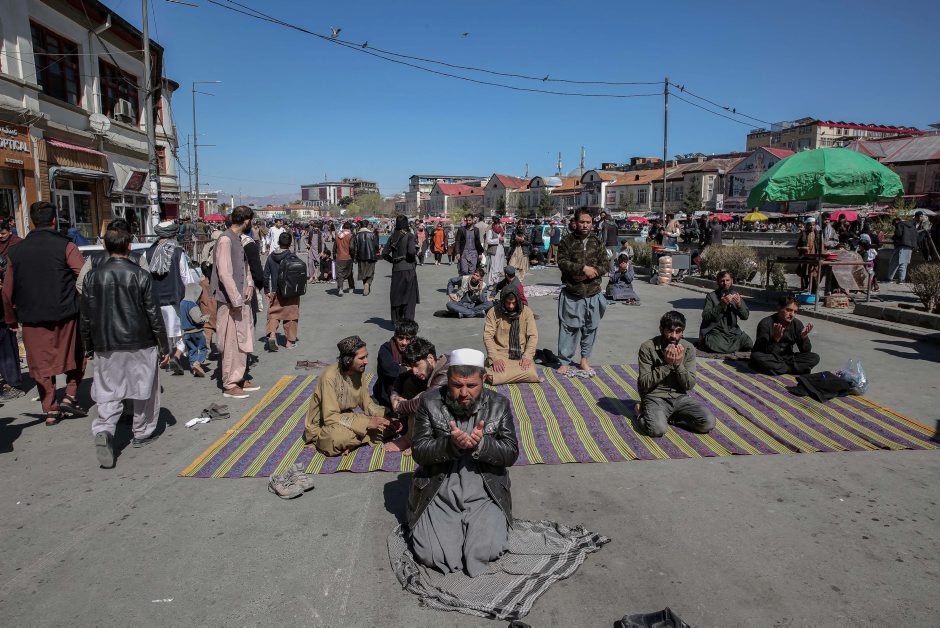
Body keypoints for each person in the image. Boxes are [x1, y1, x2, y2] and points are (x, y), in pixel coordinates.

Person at [406, 348, 519, 577]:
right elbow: (419, 451)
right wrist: (450, 446)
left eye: (471, 386)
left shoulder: (499, 404)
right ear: (448, 380)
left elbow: (510, 453)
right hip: (440, 489)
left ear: (483, 380)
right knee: (434, 554)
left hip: (484, 491)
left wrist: (482, 444)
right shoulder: (429, 402)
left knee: (484, 550)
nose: (464, 393)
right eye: (457, 385)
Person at [82, 223, 169, 468]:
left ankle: (105, 428)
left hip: (106, 341)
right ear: (130, 246)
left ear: (105, 246)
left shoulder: (92, 276)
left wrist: (87, 345)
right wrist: (164, 346)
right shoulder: (140, 274)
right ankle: (141, 432)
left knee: (108, 390)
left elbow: (86, 315)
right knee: (144, 390)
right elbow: (154, 314)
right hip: (140, 340)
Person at [3, 201, 86, 425]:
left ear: (32, 222)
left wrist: (11, 320)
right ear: (54, 221)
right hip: (66, 314)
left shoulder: (15, 252)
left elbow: (7, 292)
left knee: (40, 365)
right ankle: (70, 394)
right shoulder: (66, 246)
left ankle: (51, 409)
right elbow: (84, 277)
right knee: (76, 355)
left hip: (31, 318)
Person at [303, 335, 397, 456]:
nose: (366, 361)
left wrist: (384, 417)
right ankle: (355, 440)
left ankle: (352, 442)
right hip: (325, 425)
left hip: (347, 418)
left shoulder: (359, 371)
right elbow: (329, 417)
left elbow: (367, 404)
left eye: (366, 356)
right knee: (336, 438)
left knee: (390, 425)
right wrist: (366, 424)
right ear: (348, 360)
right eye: (362, 358)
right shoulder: (329, 377)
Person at [636, 311, 715, 439]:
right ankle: (640, 413)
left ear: (682, 332)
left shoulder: (688, 348)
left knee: (708, 423)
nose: (674, 336)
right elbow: (644, 383)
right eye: (669, 331)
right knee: (657, 430)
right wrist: (667, 365)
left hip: (679, 397)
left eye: (678, 331)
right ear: (661, 329)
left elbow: (689, 385)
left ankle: (670, 417)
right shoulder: (648, 347)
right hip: (655, 397)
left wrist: (678, 365)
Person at [210, 205, 260, 399]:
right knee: (231, 341)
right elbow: (224, 273)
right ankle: (230, 384)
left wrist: (249, 285)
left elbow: (244, 268)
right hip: (230, 302)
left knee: (242, 340)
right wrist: (236, 299)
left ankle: (239, 377)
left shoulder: (238, 239)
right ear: (247, 220)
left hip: (241, 299)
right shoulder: (225, 240)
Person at [556, 208, 608, 376]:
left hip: (593, 292)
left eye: (588, 222)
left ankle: (584, 359)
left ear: (592, 223)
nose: (585, 225)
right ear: (575, 222)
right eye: (582, 222)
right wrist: (582, 268)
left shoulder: (597, 242)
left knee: (590, 328)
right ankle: (564, 361)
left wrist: (592, 272)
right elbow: (562, 261)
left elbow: (605, 264)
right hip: (573, 293)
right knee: (568, 328)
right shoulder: (567, 241)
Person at [141, 220, 195, 375]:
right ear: (173, 234)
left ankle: (165, 357)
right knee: (181, 331)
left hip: (154, 302)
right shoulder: (178, 252)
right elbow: (187, 278)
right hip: (174, 300)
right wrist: (192, 298)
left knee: (162, 331)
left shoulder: (147, 253)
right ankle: (176, 357)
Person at [386, 337, 450, 454]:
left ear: (430, 358)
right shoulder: (431, 365)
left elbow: (424, 401)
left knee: (422, 398)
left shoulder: (445, 373)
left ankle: (412, 439)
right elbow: (400, 378)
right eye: (412, 366)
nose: (414, 370)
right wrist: (394, 396)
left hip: (456, 418)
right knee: (410, 382)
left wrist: (399, 406)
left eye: (416, 365)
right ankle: (410, 429)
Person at [749, 296, 820, 375]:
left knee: (814, 357)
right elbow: (761, 351)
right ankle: (793, 369)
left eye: (795, 312)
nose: (792, 315)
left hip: (787, 358)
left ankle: (783, 369)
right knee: (756, 357)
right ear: (779, 308)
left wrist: (804, 337)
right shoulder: (766, 324)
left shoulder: (797, 324)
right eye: (789, 310)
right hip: (770, 357)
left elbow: (806, 351)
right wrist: (775, 339)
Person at [483, 285, 539, 384]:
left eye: (514, 303)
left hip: (521, 355)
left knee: (531, 374)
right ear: (503, 301)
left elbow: (533, 336)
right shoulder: (493, 312)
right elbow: (487, 337)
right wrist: (495, 358)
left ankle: (505, 373)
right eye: (508, 303)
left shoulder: (527, 312)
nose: (511, 306)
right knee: (495, 377)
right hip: (500, 354)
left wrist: (527, 357)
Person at [698, 270, 752, 354]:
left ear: (732, 281)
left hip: (732, 332)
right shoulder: (711, 296)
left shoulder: (735, 296)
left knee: (748, 342)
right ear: (718, 282)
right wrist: (721, 305)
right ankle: (732, 347)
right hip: (715, 332)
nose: (725, 283)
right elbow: (706, 316)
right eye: (722, 281)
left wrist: (739, 305)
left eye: (727, 280)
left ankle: (729, 347)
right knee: (713, 342)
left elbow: (745, 316)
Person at [263, 232, 300, 352]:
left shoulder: (271, 257)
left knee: (273, 314)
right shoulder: (293, 256)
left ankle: (272, 335)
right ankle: (289, 342)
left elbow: (265, 275)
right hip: (291, 292)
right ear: (290, 243)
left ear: (278, 242)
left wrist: (267, 290)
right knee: (291, 315)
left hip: (276, 291)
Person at [0, 219, 24, 398]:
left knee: (7, 346)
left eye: (3, 232)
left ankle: (13, 383)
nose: (0, 236)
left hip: (6, 305)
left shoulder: (17, 245)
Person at [374, 318, 418, 409]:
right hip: (387, 391)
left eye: (408, 339)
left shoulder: (416, 347)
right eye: (400, 338)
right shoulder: (385, 349)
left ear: (413, 338)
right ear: (395, 336)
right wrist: (408, 369)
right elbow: (392, 370)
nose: (404, 343)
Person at [387, 215, 419, 324]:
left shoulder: (393, 237)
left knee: (397, 296)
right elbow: (411, 251)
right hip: (409, 269)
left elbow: (384, 253)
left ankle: (397, 321)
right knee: (409, 297)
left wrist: (393, 261)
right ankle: (408, 322)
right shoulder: (410, 236)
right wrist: (411, 259)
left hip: (396, 270)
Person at [180, 281, 210, 377]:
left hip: (186, 333)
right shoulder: (192, 305)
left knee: (191, 350)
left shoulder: (182, 303)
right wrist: (205, 318)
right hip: (196, 331)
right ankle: (197, 363)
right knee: (203, 349)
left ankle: (194, 368)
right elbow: (197, 319)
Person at [887, 214, 918, 283]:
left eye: (894, 225)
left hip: (901, 245)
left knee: (894, 262)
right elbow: (916, 236)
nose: (895, 226)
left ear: (896, 222)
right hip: (910, 247)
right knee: (904, 263)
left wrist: (893, 238)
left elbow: (898, 234)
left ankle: (890, 278)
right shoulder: (912, 226)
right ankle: (901, 279)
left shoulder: (899, 224)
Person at [351, 220, 378, 296]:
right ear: (367, 225)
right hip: (371, 256)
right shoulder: (372, 234)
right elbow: (376, 245)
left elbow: (354, 247)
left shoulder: (357, 235)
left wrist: (355, 257)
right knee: (370, 272)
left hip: (361, 257)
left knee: (363, 272)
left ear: (360, 225)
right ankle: (367, 283)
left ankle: (365, 285)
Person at [796, 218, 820, 292]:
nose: (812, 227)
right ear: (807, 226)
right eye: (810, 225)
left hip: (814, 259)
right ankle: (804, 292)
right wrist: (802, 248)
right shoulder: (803, 234)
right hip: (805, 258)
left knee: (814, 276)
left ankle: (814, 293)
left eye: (813, 225)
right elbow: (797, 247)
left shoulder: (818, 235)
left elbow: (820, 247)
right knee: (804, 276)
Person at [333, 221, 355, 296]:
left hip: (339, 257)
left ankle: (340, 288)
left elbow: (334, 247)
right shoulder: (351, 235)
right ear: (350, 228)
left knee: (340, 274)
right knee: (349, 273)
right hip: (348, 257)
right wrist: (353, 256)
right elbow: (352, 247)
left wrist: (334, 256)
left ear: (343, 228)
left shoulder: (337, 235)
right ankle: (351, 287)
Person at [485, 219, 506, 284]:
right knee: (494, 267)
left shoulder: (501, 231)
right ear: (494, 224)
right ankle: (491, 282)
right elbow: (488, 241)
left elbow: (505, 239)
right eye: (497, 224)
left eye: (499, 223)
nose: (498, 225)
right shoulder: (490, 231)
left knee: (499, 267)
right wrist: (498, 239)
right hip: (494, 250)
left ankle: (496, 281)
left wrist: (503, 239)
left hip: (501, 249)